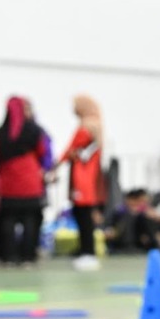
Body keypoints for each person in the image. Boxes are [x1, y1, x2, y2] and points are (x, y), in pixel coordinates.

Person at [0, 95, 47, 266]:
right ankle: (28, 257)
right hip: (30, 182)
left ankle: (9, 256)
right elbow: (42, 151)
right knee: (30, 220)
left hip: (9, 182)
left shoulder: (0, 133)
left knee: (8, 220)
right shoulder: (35, 130)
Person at [57, 93, 106, 269]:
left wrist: (56, 165)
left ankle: (88, 252)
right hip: (89, 177)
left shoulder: (86, 127)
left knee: (83, 215)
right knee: (84, 215)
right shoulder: (97, 125)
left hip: (83, 177)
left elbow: (71, 148)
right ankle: (85, 250)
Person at [108, 187, 160, 253]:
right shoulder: (120, 211)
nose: (144, 203)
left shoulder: (145, 211)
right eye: (142, 201)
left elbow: (156, 215)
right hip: (123, 242)